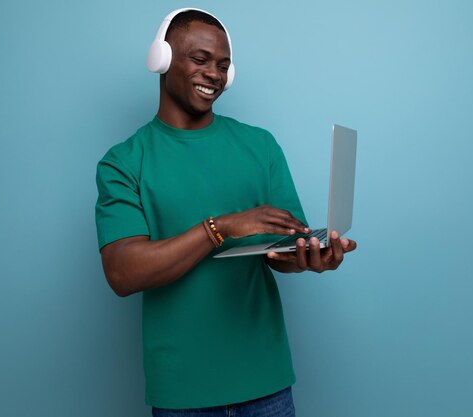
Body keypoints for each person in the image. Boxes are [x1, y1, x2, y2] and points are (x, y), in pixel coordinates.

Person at [95, 8, 357, 417]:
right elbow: (123, 272)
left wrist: (310, 257)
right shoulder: (125, 162)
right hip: (183, 391)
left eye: (223, 65)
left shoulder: (260, 146)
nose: (214, 74)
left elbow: (282, 251)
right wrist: (221, 227)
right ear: (162, 60)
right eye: (200, 60)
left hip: (267, 382)